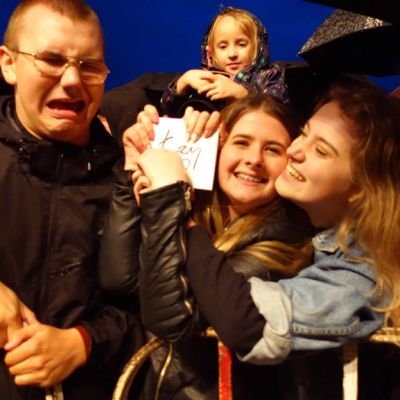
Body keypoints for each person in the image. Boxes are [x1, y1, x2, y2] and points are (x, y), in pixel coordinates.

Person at [99, 93, 315, 399]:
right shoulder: (196, 208)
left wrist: (169, 203)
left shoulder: (286, 241)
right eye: (241, 142)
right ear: (219, 147)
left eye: (272, 149)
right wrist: (131, 169)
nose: (254, 159)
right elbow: (118, 280)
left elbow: (171, 321)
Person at [0, 1, 144, 398]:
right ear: (9, 64)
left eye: (90, 66)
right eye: (51, 60)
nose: (72, 80)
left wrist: (82, 343)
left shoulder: (127, 180)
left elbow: (150, 313)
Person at [161, 7, 288, 123]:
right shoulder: (205, 78)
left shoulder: (268, 76)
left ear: (259, 47)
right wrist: (182, 83)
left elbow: (278, 113)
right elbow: (168, 109)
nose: (232, 54)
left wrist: (243, 94)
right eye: (223, 47)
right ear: (211, 52)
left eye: (241, 44)